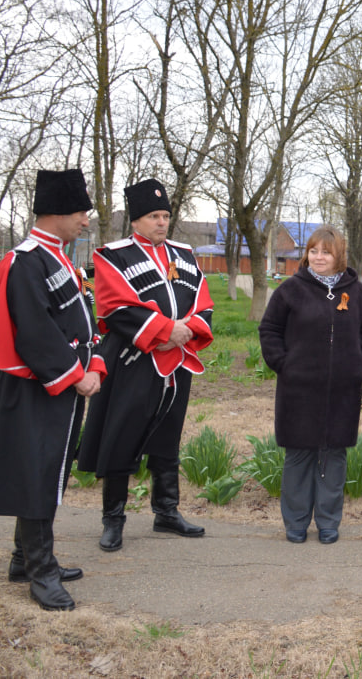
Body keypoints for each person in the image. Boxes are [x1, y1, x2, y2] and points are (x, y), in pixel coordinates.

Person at [0, 169, 103, 611]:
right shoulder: (27, 260)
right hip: (36, 387)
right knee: (37, 473)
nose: (86, 220)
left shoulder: (58, 256)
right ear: (58, 212)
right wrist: (74, 374)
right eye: (81, 212)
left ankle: (25, 559)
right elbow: (35, 332)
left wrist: (94, 362)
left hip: (57, 387)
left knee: (47, 471)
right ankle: (40, 572)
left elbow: (80, 319)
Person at [78, 179, 214, 552]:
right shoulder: (112, 255)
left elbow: (203, 301)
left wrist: (187, 330)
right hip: (134, 359)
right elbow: (114, 306)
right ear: (136, 220)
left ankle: (166, 511)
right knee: (123, 433)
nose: (161, 222)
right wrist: (166, 329)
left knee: (168, 434)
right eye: (154, 216)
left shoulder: (184, 253)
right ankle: (114, 519)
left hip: (177, 360)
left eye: (166, 215)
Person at [259, 226, 362, 544]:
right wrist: (285, 364)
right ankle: (296, 522)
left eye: (326, 251)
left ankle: (328, 521)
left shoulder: (355, 291)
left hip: (342, 391)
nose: (319, 257)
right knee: (299, 455)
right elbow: (269, 329)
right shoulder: (291, 290)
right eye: (314, 251)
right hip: (298, 391)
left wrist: (360, 365)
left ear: (339, 255)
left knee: (333, 456)